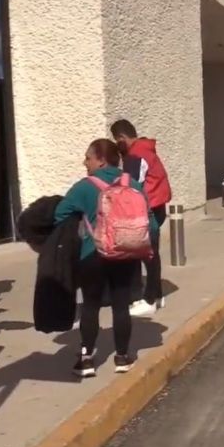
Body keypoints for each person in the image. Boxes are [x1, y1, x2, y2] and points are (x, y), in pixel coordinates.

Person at [55, 139, 158, 377]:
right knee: (121, 305)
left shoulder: (84, 187)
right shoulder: (131, 183)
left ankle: (87, 359)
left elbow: (60, 214)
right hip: (125, 254)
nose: (85, 162)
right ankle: (122, 357)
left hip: (93, 254)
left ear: (101, 160)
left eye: (88, 157)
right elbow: (150, 222)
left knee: (90, 306)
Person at [111, 119, 172, 316]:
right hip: (157, 205)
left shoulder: (136, 155)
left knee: (148, 254)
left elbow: (131, 185)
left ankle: (149, 299)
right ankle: (156, 296)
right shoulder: (145, 149)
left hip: (149, 209)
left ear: (121, 137)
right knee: (146, 252)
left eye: (116, 139)